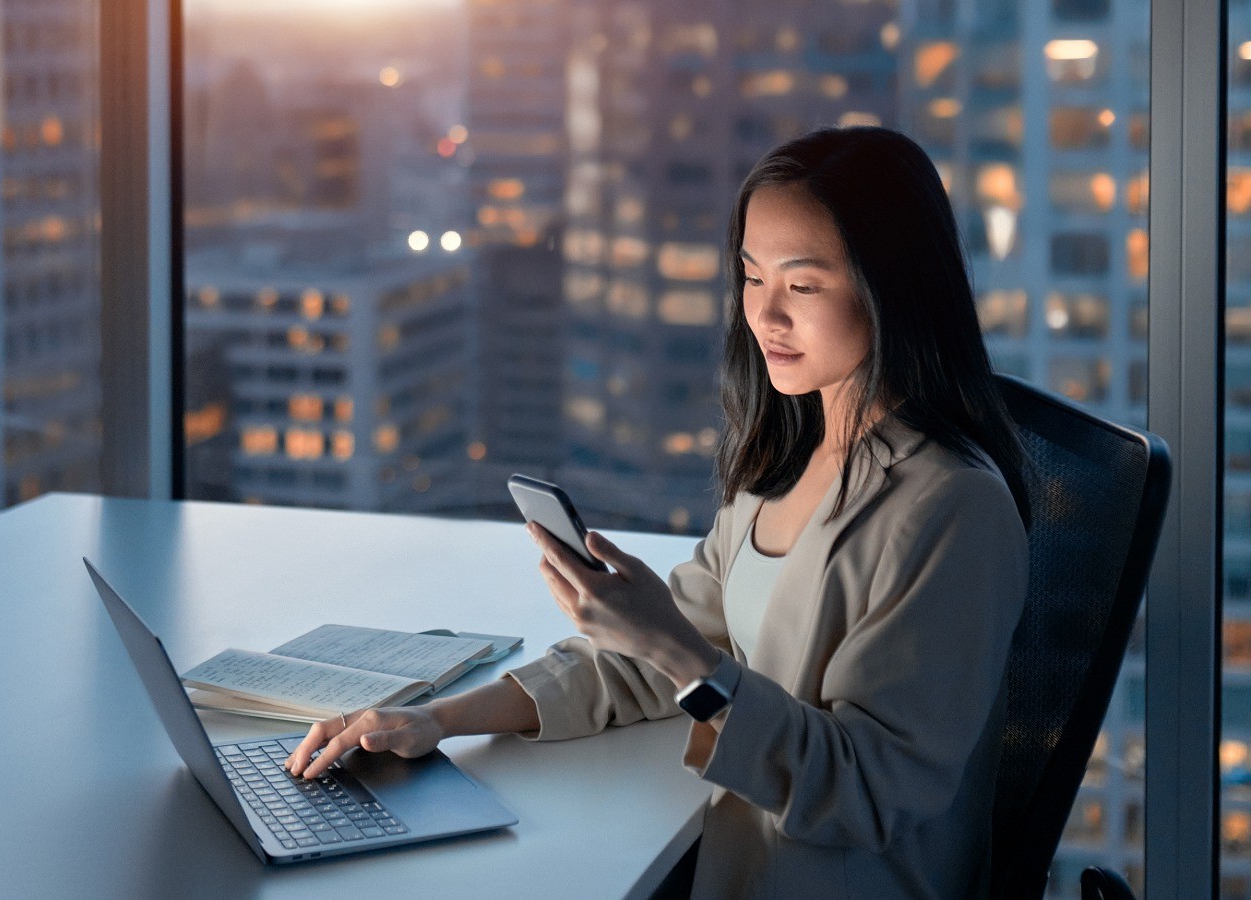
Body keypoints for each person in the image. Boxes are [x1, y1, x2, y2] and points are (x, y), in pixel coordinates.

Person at [285, 126, 1032, 899]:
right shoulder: (786, 463)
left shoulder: (952, 511)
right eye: (750, 277)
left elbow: (868, 791)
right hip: (736, 863)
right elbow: (646, 662)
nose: (765, 314)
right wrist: (439, 721)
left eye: (803, 286)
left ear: (895, 288)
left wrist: (679, 653)